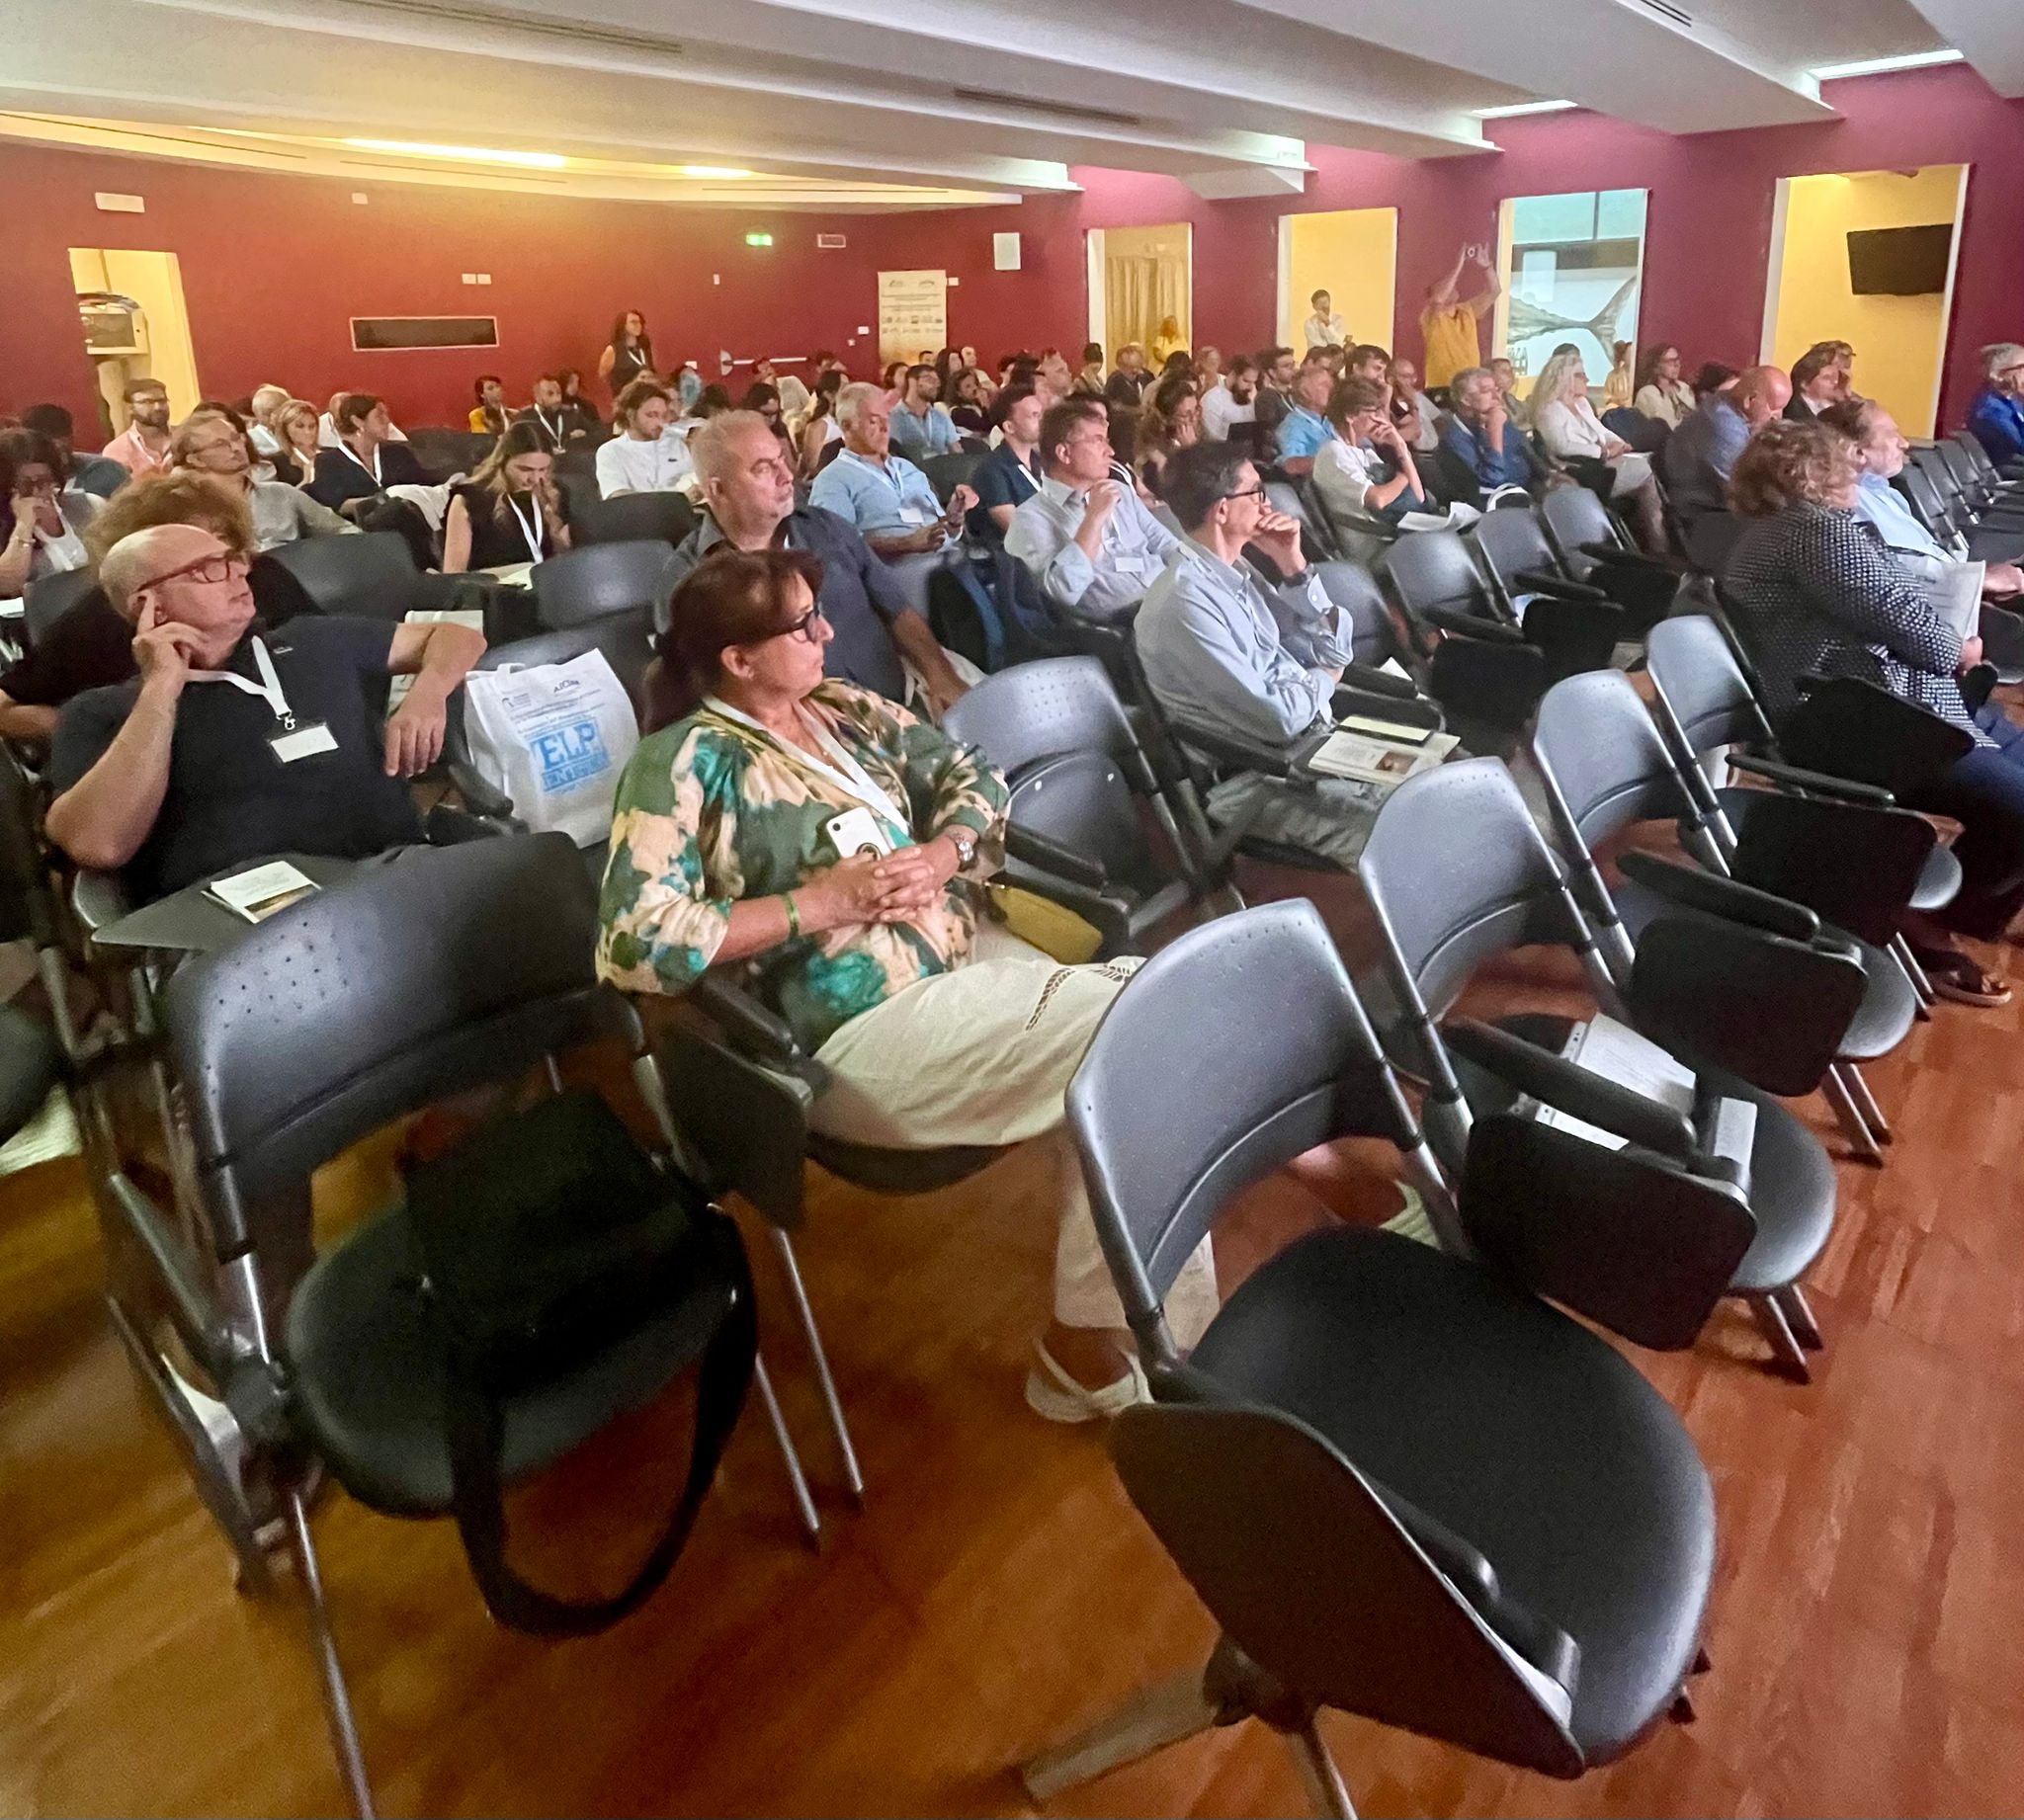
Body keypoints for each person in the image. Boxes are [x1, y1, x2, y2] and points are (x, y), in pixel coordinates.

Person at [598, 545, 1215, 1416]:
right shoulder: (683, 763)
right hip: (858, 1026)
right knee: (1145, 1025)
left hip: (968, 949)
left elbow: (974, 773)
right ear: (738, 660)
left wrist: (945, 852)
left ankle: (1098, 1345)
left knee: (1141, 1046)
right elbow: (635, 940)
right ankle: (1156, 1348)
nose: (828, 632)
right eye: (803, 624)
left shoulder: (842, 708)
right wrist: (821, 902)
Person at [1724, 421, 2024, 992]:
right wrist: (1958, 648)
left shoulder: (1795, 528)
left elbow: (1890, 603)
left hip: (1881, 702)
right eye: (1844, 464)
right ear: (1811, 475)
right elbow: (1901, 615)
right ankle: (1926, 922)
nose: (1857, 471)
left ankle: (1966, 912)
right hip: (1867, 723)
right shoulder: (1811, 532)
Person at [45, 524, 484, 903]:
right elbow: (99, 845)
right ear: (150, 605)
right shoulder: (104, 711)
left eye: (234, 560)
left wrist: (427, 694)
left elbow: (455, 637)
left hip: (398, 877)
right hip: (257, 920)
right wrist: (161, 688)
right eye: (210, 569)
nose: (240, 573)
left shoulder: (312, 639)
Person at [1138, 442, 1384, 867]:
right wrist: (1323, 680)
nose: (1266, 504)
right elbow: (1278, 718)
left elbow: (1332, 649)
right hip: (1262, 777)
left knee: (1450, 777)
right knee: (1405, 832)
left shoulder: (1235, 571)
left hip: (1314, 746)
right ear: (1222, 510)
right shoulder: (1184, 603)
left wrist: (1293, 565)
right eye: (1256, 492)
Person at [669, 411, 971, 717]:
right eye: (764, 469)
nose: (787, 476)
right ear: (718, 490)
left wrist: (939, 673)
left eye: (781, 460)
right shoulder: (691, 581)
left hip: (900, 693)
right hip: (803, 728)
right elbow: (711, 696)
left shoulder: (828, 528)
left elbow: (896, 607)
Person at [1825, 397, 2024, 603]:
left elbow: (1931, 555)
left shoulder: (1883, 491)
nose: (1904, 443)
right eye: (1892, 435)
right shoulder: (1847, 505)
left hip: (1957, 586)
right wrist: (1978, 578)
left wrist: (1979, 569)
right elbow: (1894, 573)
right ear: (1858, 452)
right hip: (1943, 603)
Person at [1005, 398, 1181, 625]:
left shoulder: (1119, 491)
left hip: (1170, 597)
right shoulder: (1029, 519)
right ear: (1064, 453)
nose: (1110, 451)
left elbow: (1165, 543)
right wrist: (1094, 519)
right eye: (1098, 441)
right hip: (1125, 624)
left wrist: (1200, 573)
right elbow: (1064, 592)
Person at [809, 384, 976, 565]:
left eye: (887, 419)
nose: (885, 428)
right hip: (899, 569)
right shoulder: (832, 479)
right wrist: (906, 543)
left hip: (951, 559)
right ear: (847, 426)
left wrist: (953, 520)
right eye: (874, 421)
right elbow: (837, 543)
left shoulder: (907, 468)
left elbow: (943, 530)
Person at [1531, 348, 1667, 553]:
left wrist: (1620, 444)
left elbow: (1602, 431)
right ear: (1566, 379)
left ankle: (1653, 540)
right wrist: (1602, 452)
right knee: (1649, 475)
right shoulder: (1549, 410)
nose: (1587, 379)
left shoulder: (1582, 404)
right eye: (1581, 375)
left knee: (1651, 465)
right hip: (1580, 471)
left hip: (1602, 463)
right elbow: (1562, 446)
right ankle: (1658, 544)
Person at [1662, 364, 1793, 570]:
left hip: (1722, 509)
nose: (1778, 417)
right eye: (1774, 408)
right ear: (1750, 400)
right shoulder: (1721, 426)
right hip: (1705, 519)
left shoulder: (1729, 403)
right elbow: (1749, 492)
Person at [170, 411, 355, 551]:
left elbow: (343, 530)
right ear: (196, 459)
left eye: (236, 438)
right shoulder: (186, 511)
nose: (236, 448)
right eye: (220, 444)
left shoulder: (282, 494)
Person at [442, 422, 571, 573]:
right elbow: (453, 574)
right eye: (525, 469)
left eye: (543, 469)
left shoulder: (554, 492)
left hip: (545, 583)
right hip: (493, 585)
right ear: (502, 461)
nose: (535, 479)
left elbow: (566, 559)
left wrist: (554, 527)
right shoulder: (471, 500)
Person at [1310, 377, 1426, 544]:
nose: (1381, 419)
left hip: (1397, 536)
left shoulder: (1366, 451)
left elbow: (1418, 497)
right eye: (1373, 412)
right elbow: (1378, 499)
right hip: (1375, 543)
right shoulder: (1333, 453)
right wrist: (1403, 478)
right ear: (1350, 416)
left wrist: (1400, 446)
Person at [1, 430, 104, 597]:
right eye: (24, 485)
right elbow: (7, 586)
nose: (36, 491)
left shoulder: (90, 504)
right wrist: (24, 525)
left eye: (43, 481)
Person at [1434, 366, 1552, 505]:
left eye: (1497, 390)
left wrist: (1549, 478)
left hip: (1529, 491)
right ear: (1466, 400)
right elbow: (1491, 485)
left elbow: (1527, 454)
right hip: (1497, 504)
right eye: (1487, 391)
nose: (1497, 397)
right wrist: (1495, 433)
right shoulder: (1454, 439)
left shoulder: (1496, 418)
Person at [305, 393, 429, 520]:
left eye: (386, 414)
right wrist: (381, 502)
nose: (387, 420)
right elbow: (336, 505)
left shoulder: (398, 453)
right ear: (357, 421)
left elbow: (422, 486)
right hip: (359, 528)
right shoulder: (328, 461)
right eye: (379, 415)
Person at [969, 385, 1044, 542]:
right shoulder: (991, 470)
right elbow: (1017, 530)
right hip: (1006, 552)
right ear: (1009, 427)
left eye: (1042, 414)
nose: (1042, 421)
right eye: (1034, 415)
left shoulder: (1040, 461)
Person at [1420, 243, 1501, 389]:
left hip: (1470, 386)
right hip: (1442, 386)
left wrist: (1487, 267)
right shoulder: (1429, 316)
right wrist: (1458, 266)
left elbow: (1494, 291)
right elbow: (1438, 299)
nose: (1452, 286)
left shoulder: (1467, 310)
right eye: (1445, 284)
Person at [595, 377, 692, 497]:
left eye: (663, 416)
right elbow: (617, 496)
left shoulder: (677, 445)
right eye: (651, 415)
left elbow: (694, 481)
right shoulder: (611, 451)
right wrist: (676, 498)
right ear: (630, 415)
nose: (660, 422)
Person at [22, 405, 127, 499]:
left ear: (72, 436)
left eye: (64, 436)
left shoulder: (104, 470)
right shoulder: (25, 479)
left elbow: (130, 510)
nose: (59, 445)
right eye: (48, 442)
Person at [1134, 372, 1202, 495]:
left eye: (1196, 409)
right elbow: (1183, 490)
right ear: (1166, 418)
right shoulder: (1153, 452)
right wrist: (1191, 450)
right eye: (1186, 415)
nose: (1194, 418)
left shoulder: (1198, 432)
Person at [1272, 362, 1339, 477]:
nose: (1332, 389)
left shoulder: (1329, 421)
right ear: (1305, 393)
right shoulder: (1292, 428)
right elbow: (1293, 470)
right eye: (1324, 385)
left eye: (1331, 384)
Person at [886, 364, 963, 460]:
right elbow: (893, 454)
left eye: (937, 381)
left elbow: (956, 449)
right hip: (912, 468)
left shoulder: (941, 417)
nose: (936, 385)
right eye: (930, 380)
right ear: (912, 381)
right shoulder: (894, 418)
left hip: (944, 468)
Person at [1967, 343, 2024, 467]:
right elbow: (2019, 446)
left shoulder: (2013, 402)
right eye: (2022, 368)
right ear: (1997, 375)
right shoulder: (1990, 410)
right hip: (2007, 471)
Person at [101, 379, 174, 475]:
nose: (158, 407)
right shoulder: (116, 450)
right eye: (148, 402)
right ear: (130, 408)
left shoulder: (185, 437)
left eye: (162, 401)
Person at [516, 372, 593, 454]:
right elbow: (518, 449)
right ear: (538, 398)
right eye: (550, 394)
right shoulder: (524, 421)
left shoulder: (572, 414)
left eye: (559, 393)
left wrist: (584, 437)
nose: (557, 399)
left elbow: (598, 434)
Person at [1386, 356, 1442, 455]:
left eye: (1413, 377)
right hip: (1413, 454)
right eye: (1405, 377)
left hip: (1434, 451)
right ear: (1391, 379)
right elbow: (1414, 433)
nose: (1411, 381)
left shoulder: (1419, 397)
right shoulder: (1390, 404)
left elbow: (1438, 419)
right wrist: (1412, 404)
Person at [1633, 344, 1697, 429]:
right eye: (1670, 361)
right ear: (1656, 365)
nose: (1677, 364)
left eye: (1677, 359)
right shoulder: (1647, 393)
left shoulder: (1684, 388)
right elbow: (1664, 425)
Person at [266, 398, 324, 490]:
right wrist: (306, 482)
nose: (308, 432)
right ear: (285, 429)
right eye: (300, 426)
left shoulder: (331, 454)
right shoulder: (275, 463)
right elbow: (277, 498)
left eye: (312, 426)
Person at [798, 370, 846, 479]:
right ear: (829, 395)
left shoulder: (845, 421)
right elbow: (813, 467)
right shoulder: (819, 425)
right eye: (844, 388)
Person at [1201, 356, 1258, 444]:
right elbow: (1213, 437)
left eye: (1253, 382)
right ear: (1233, 375)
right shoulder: (1213, 399)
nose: (1250, 387)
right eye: (1246, 381)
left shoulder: (1248, 396)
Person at [1252, 346, 1299, 454]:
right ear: (1272, 372)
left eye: (1293, 365)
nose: (1292, 369)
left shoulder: (1294, 393)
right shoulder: (1266, 397)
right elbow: (1271, 431)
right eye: (1286, 366)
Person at [599, 310, 656, 398]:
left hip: (646, 398)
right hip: (624, 399)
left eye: (640, 322)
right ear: (623, 325)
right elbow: (603, 375)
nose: (638, 325)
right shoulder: (613, 350)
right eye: (633, 322)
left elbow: (652, 368)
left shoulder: (644, 347)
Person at [1784, 346, 1845, 422]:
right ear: (1805, 384)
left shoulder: (1837, 406)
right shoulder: (1794, 413)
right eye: (1827, 378)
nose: (1835, 382)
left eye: (1835, 377)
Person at [945, 369, 990, 438]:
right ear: (958, 393)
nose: (974, 388)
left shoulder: (977, 405)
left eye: (975, 384)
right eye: (968, 386)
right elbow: (985, 427)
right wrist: (985, 404)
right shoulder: (957, 412)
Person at [1601, 340, 1636, 413]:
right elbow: (1606, 397)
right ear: (1623, 356)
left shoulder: (1640, 376)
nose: (1632, 356)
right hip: (1618, 410)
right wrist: (1618, 401)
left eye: (1634, 353)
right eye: (1629, 353)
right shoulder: (1613, 375)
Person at [1490, 356, 1526, 426]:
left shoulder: (1509, 398)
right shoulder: (1488, 401)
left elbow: (1524, 412)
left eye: (1511, 370)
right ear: (1492, 375)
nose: (1510, 375)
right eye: (1504, 371)